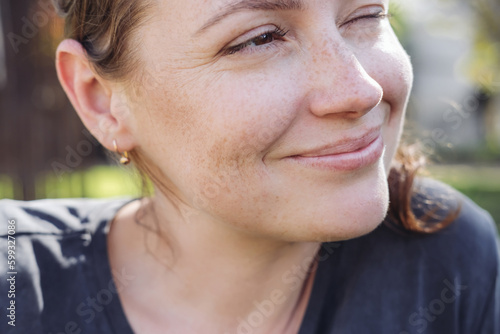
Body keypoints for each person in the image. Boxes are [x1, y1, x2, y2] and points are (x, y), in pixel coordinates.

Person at [1, 0, 499, 333]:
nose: (360, 89)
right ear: (102, 99)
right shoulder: (16, 289)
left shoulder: (445, 262)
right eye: (259, 39)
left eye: (365, 13)